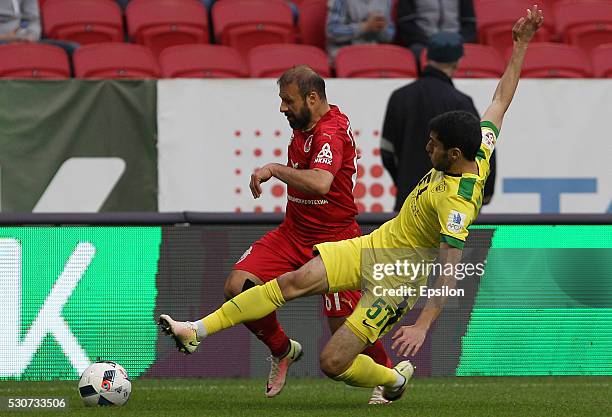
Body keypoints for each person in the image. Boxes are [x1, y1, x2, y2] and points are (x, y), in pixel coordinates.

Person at [160, 6, 543, 401]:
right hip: (371, 246)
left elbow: (448, 272)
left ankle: (393, 380)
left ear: (452, 154)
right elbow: (500, 99)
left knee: (333, 362)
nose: (426, 147)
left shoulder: (456, 207)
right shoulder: (478, 150)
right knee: (290, 283)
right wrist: (521, 44)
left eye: (434, 145)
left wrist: (423, 325)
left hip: (396, 279)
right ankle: (197, 330)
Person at [163, 65, 393, 404]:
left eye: (288, 101)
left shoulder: (331, 133)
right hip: (293, 234)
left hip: (336, 242)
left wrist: (273, 169)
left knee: (345, 331)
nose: (282, 108)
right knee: (237, 286)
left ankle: (389, 376)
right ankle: (282, 350)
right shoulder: (305, 124)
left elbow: (321, 182)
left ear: (313, 98)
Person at [381, 31, 497, 212]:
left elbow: (387, 153)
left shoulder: (399, 97)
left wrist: (406, 182)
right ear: (458, 61)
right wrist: (485, 194)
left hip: (408, 204)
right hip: (449, 203)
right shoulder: (461, 102)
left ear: (427, 56)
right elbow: (482, 151)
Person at [397, 0, 476, 60]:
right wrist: (429, 42)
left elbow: (469, 23)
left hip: (455, 40)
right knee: (419, 53)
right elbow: (406, 23)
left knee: (472, 55)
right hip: (423, 41)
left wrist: (458, 41)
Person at [326, 0, 395, 60]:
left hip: (376, 53)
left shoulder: (386, 1)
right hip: (346, 53)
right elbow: (331, 31)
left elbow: (389, 37)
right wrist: (365, 26)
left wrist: (381, 28)